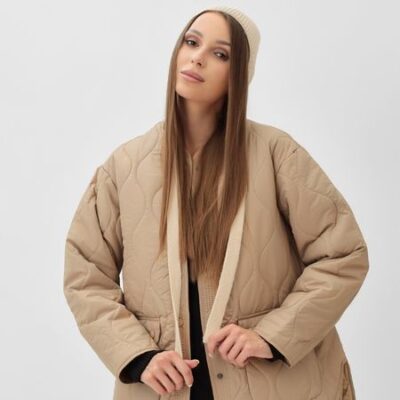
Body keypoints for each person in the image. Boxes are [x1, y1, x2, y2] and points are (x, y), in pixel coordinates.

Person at [63, 5, 369, 400]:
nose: (197, 58)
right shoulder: (124, 167)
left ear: (239, 73)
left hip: (272, 385)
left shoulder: (276, 154)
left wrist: (271, 336)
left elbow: (343, 255)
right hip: (165, 389)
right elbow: (85, 276)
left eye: (220, 53)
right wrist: (139, 356)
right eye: (191, 42)